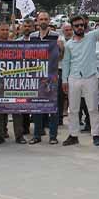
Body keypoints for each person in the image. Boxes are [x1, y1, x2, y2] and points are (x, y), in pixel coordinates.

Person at [61, 0, 99, 147]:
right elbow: (65, 63)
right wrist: (64, 80)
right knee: (73, 109)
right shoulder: (69, 44)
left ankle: (96, 135)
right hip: (74, 78)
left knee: (92, 108)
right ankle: (73, 135)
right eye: (76, 25)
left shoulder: (91, 37)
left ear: (85, 26)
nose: (79, 27)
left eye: (82, 25)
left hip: (90, 77)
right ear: (72, 28)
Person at [30, 12, 65, 144]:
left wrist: (61, 49)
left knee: (53, 108)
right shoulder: (32, 37)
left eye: (45, 19)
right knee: (36, 107)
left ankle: (53, 136)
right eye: (41, 19)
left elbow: (60, 57)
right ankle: (37, 135)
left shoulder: (57, 36)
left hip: (52, 76)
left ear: (49, 21)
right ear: (37, 21)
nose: (43, 21)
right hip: (37, 75)